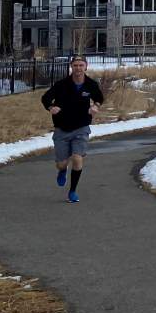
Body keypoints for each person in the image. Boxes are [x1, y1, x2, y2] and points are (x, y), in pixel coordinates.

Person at [41, 55, 105, 203]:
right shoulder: (61, 85)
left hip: (81, 127)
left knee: (77, 159)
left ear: (86, 67)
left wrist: (95, 106)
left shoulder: (90, 84)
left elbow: (99, 97)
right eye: (75, 65)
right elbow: (45, 98)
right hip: (62, 128)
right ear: (71, 67)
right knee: (61, 163)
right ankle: (62, 170)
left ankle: (72, 191)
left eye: (81, 65)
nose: (78, 68)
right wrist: (51, 107)